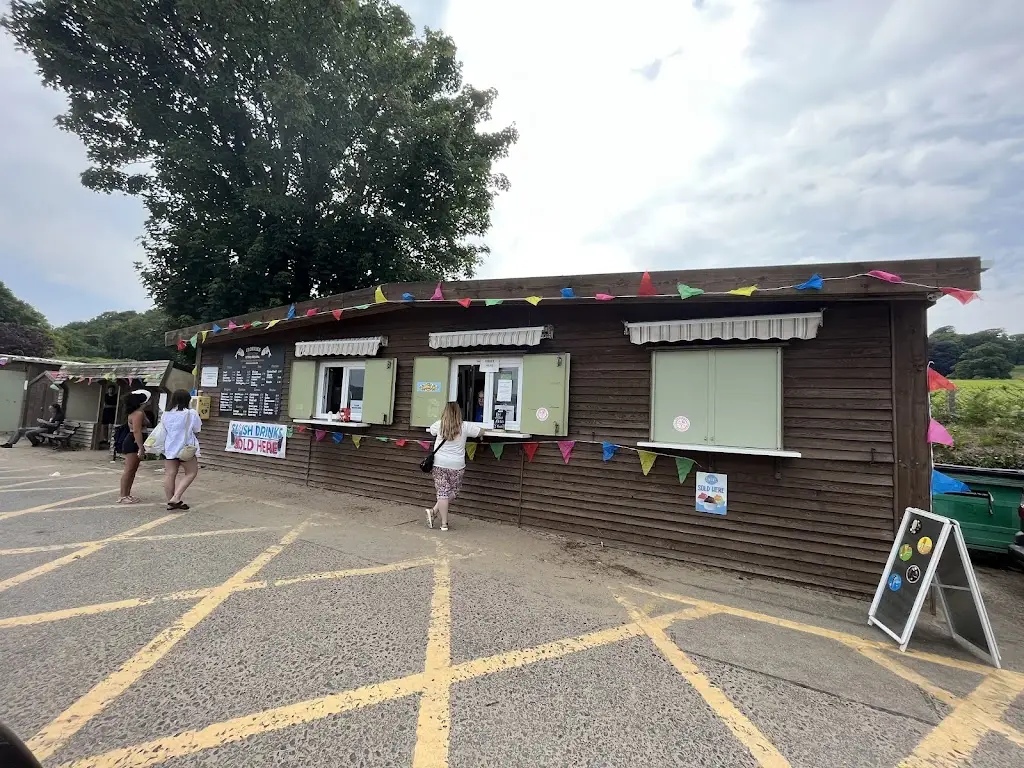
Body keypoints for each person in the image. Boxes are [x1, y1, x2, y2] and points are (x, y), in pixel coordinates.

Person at [425, 402, 483, 532]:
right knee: (452, 493)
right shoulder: (465, 426)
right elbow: (480, 432)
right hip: (457, 465)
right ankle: (443, 523)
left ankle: (435, 513)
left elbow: (432, 431)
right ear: (459, 412)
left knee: (443, 493)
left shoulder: (439, 424)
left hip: (439, 463)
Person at [161, 389, 201, 511]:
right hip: (185, 448)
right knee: (191, 472)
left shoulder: (165, 414)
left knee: (169, 474)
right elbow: (197, 429)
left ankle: (170, 501)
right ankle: (176, 497)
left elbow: (164, 429)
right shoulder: (191, 413)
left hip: (170, 447)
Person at [116, 394, 148, 504]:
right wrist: (141, 448)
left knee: (133, 470)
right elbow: (136, 431)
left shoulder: (139, 412)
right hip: (133, 441)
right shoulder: (137, 414)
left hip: (136, 440)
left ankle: (127, 494)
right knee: (129, 469)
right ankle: (122, 495)